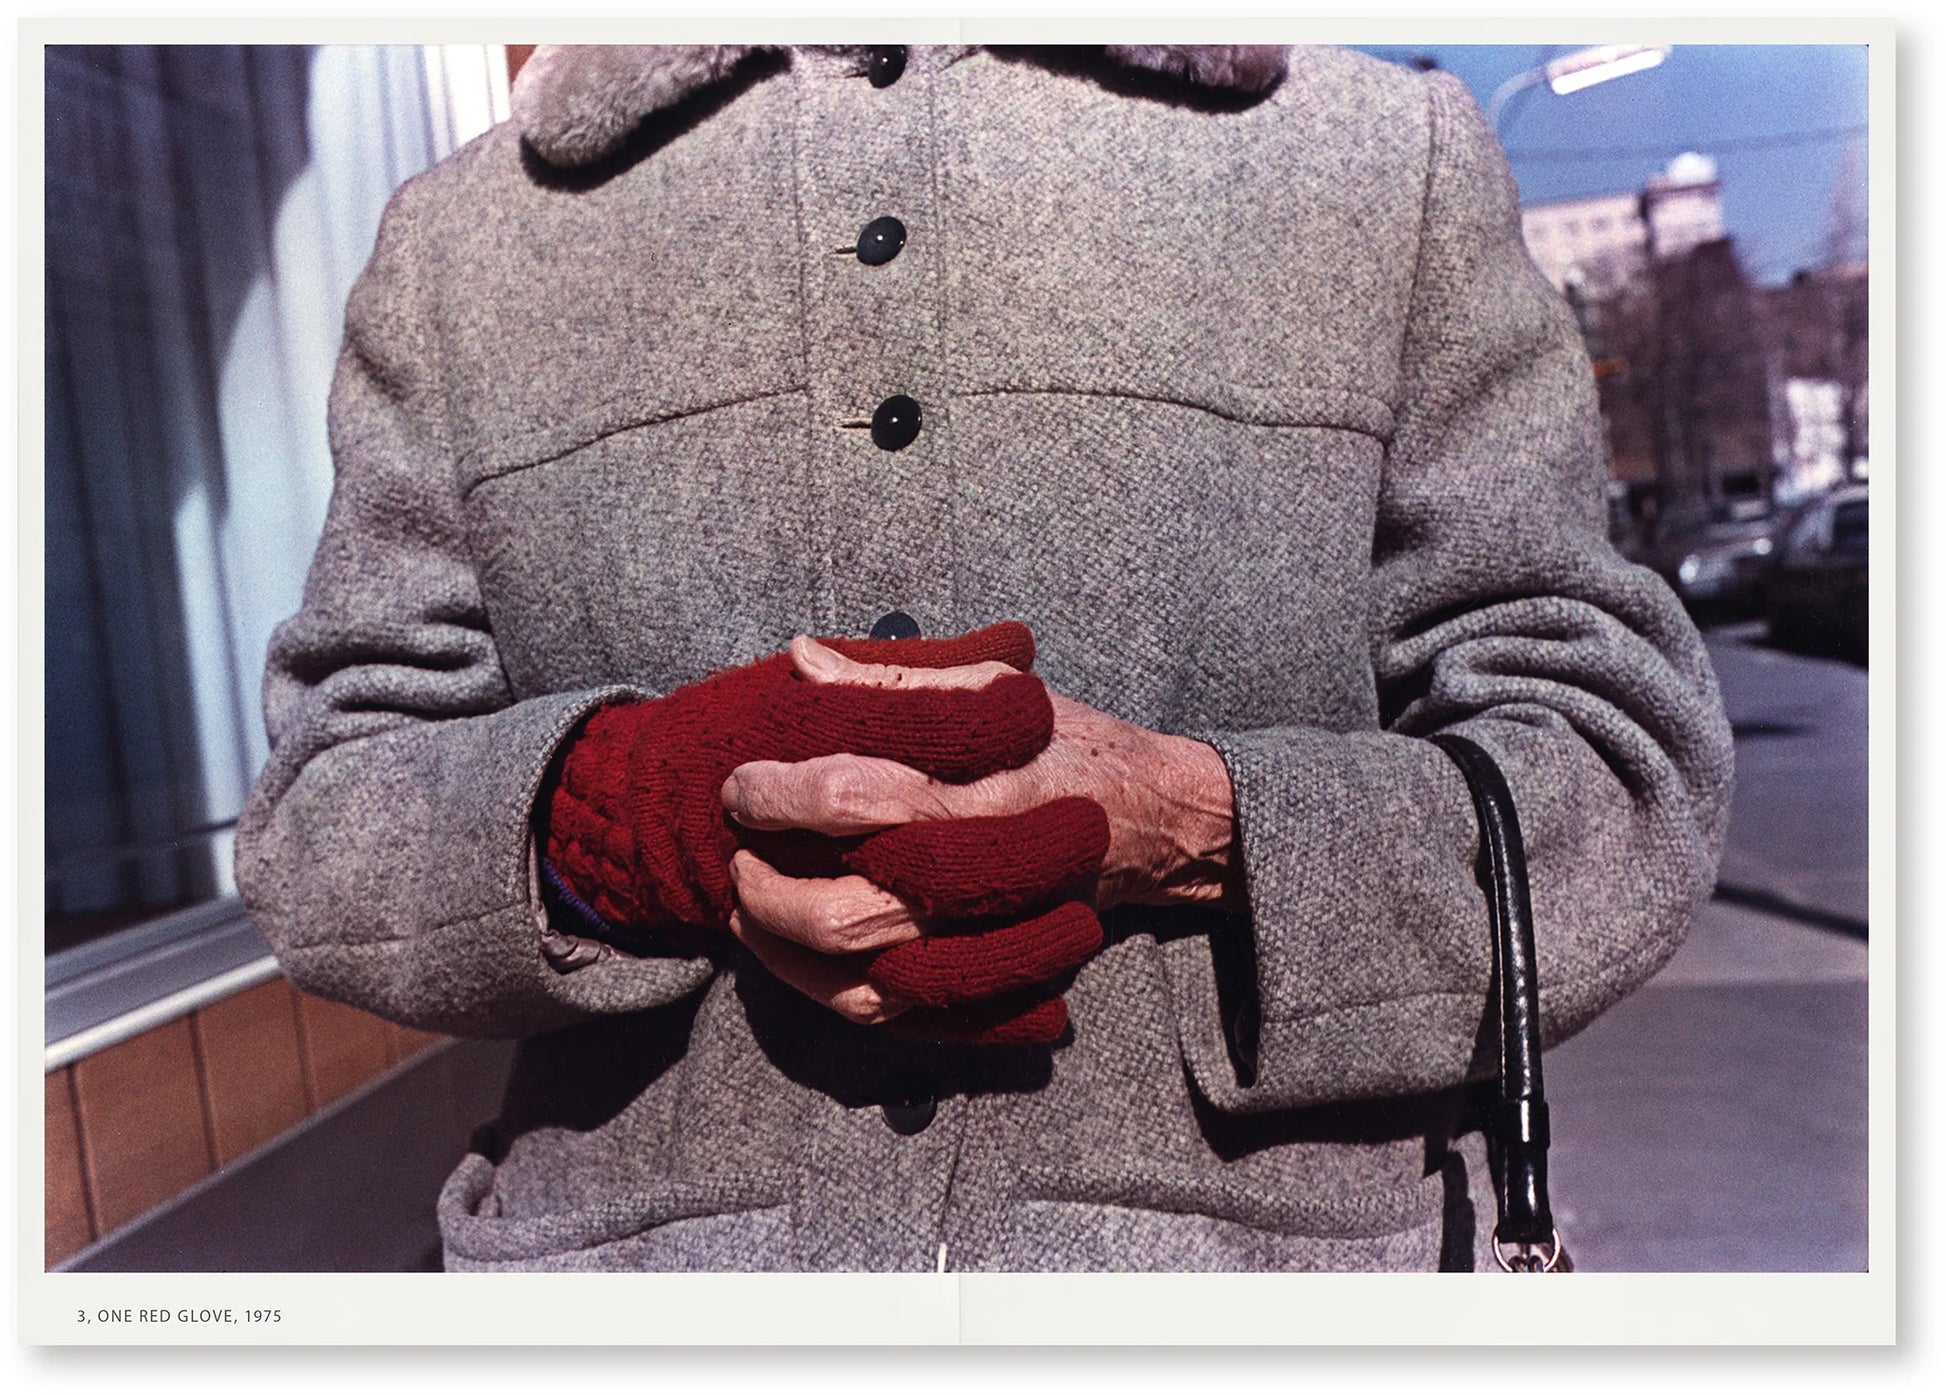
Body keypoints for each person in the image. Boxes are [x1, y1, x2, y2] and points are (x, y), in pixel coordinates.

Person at [234, 42, 1735, 1272]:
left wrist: (1198, 824)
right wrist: (622, 822)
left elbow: (1613, 773)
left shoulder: (1375, 162)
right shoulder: (466, 238)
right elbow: (320, 815)